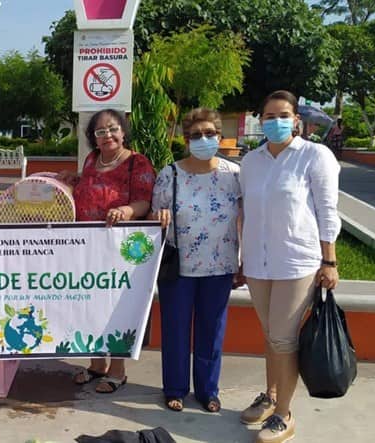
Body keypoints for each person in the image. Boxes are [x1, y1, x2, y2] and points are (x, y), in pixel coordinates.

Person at [239, 90, 340, 443]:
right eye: (269, 116)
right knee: (271, 335)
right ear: (261, 121)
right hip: (257, 263)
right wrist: (241, 256)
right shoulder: (251, 162)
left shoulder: (315, 156)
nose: (276, 122)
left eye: (283, 115)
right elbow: (245, 212)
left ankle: (284, 413)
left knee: (282, 338)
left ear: (296, 119)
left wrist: (330, 260)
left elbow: (328, 211)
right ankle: (269, 396)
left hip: (297, 261)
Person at [148, 108, 242, 413]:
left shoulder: (234, 175)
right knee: (175, 329)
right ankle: (174, 388)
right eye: (196, 135)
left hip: (221, 265)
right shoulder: (170, 173)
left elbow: (247, 217)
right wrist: (158, 217)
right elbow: (154, 214)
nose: (203, 140)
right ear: (186, 140)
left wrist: (244, 261)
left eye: (209, 134)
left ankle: (208, 390)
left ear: (219, 136)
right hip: (179, 266)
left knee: (211, 330)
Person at [59, 108, 156, 394]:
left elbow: (144, 202)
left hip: (119, 249)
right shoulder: (92, 159)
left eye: (112, 129)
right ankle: (97, 364)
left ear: (123, 131)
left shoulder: (137, 163)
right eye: (100, 132)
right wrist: (74, 179)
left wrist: (126, 210)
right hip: (87, 248)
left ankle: (117, 370)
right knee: (90, 304)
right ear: (93, 138)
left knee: (117, 308)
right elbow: (91, 186)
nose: (107, 135)